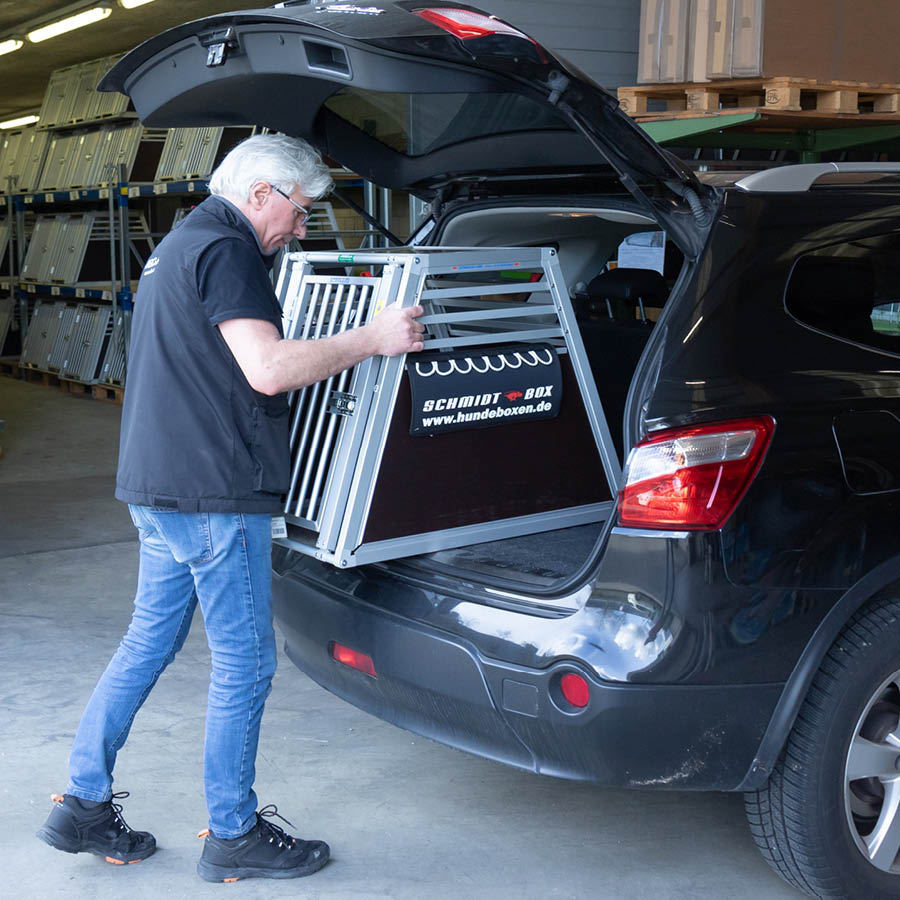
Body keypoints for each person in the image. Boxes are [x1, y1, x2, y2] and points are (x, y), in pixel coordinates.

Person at [36, 134, 425, 882]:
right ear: (260, 195)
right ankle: (234, 831)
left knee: (146, 645)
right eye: (301, 210)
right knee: (245, 663)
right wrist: (373, 337)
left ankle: (81, 804)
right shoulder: (228, 250)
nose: (302, 227)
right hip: (214, 493)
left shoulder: (179, 243)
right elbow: (269, 370)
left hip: (157, 488)